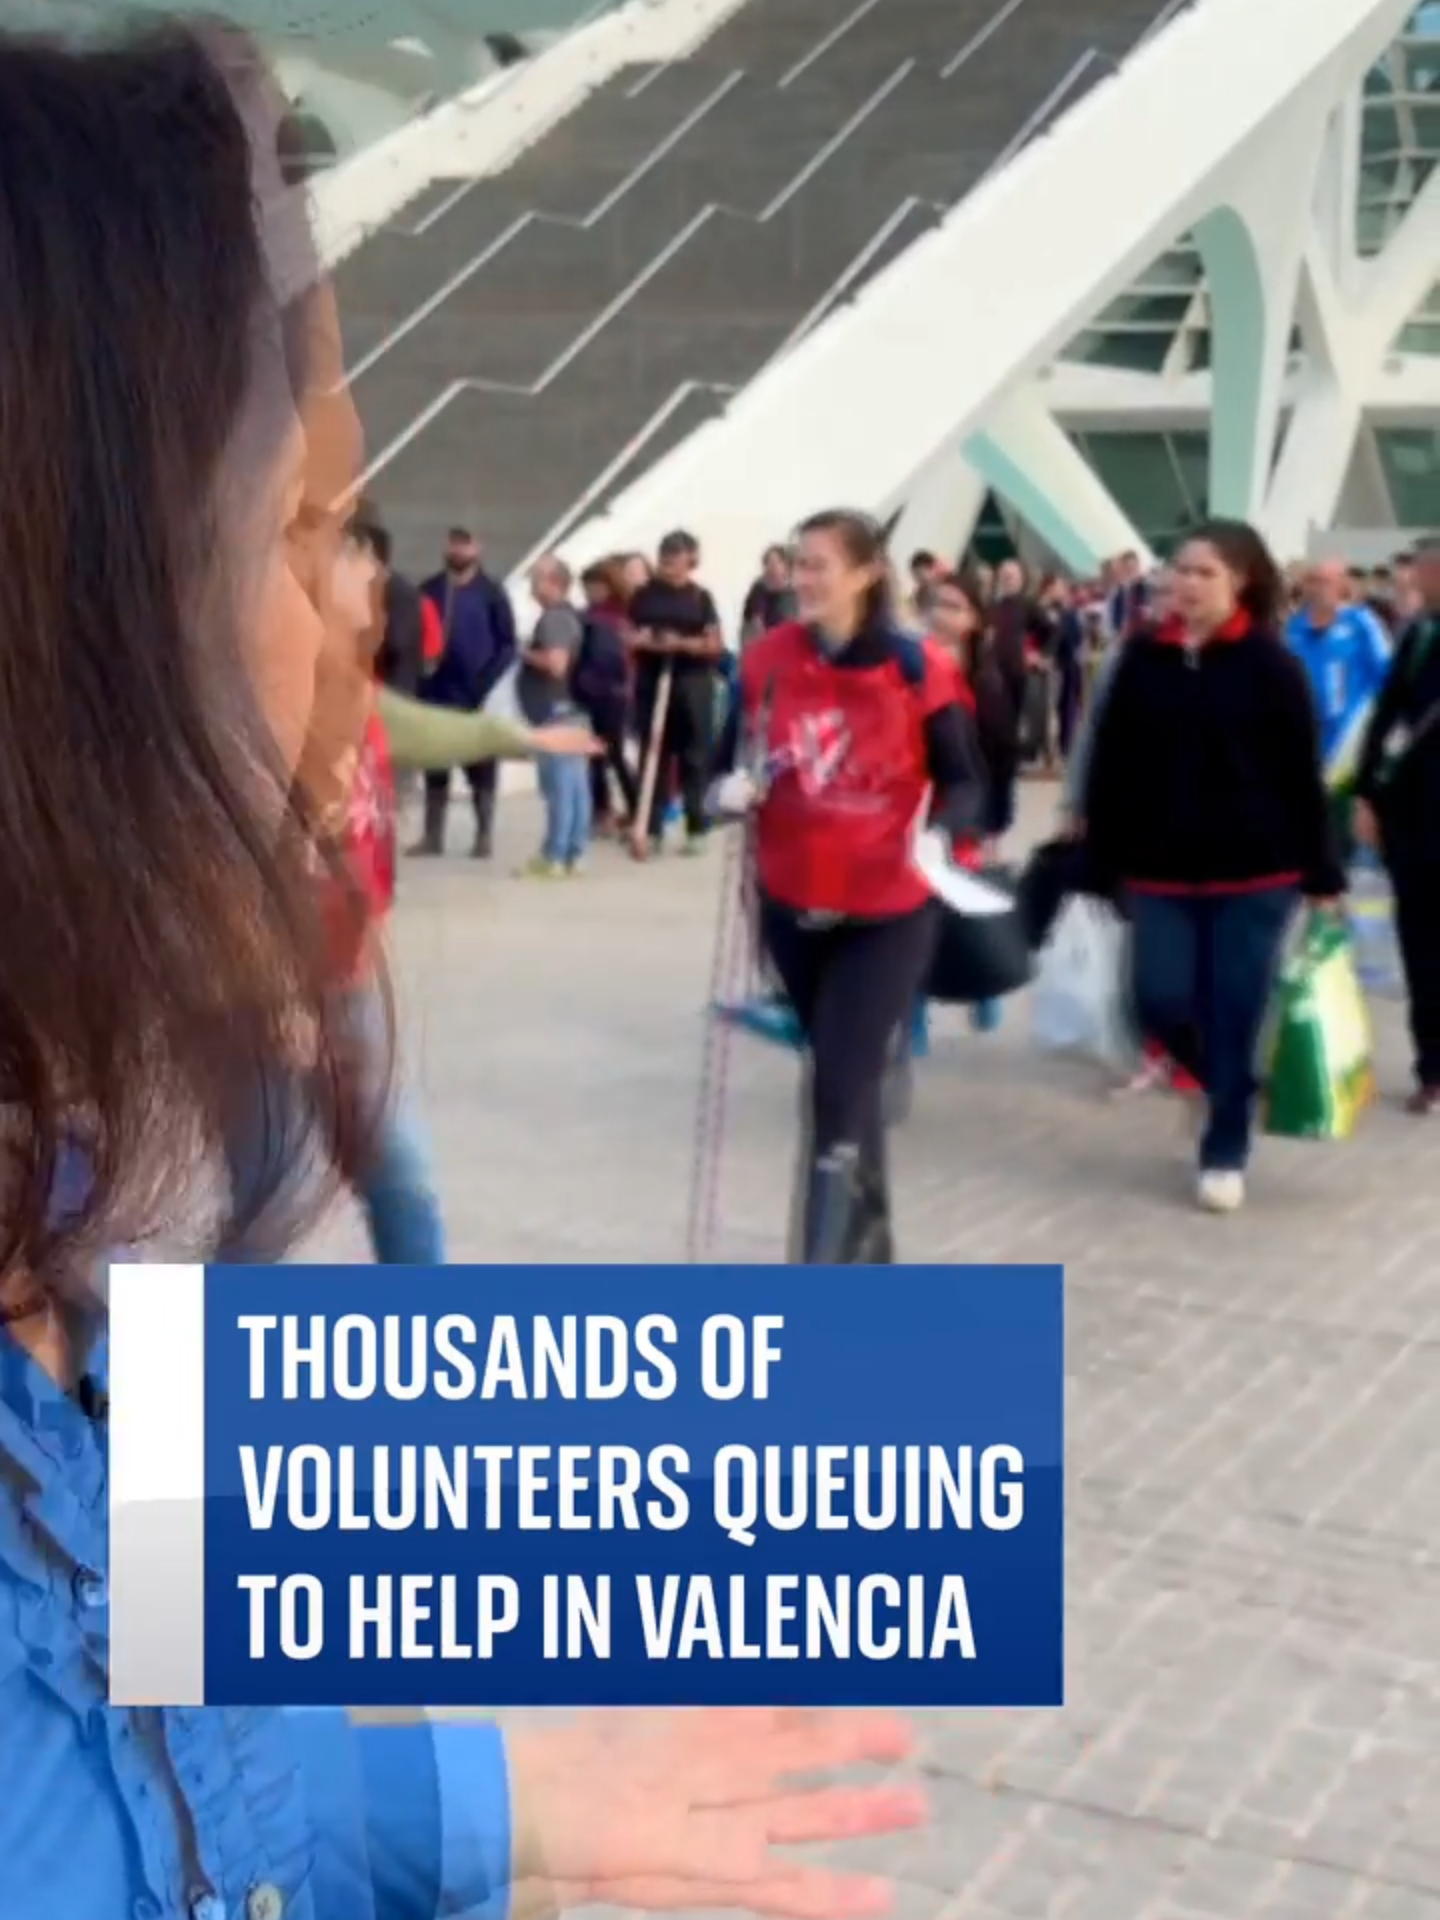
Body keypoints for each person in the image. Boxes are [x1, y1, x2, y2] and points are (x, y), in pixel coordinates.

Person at [0, 22, 928, 1920]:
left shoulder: (53, 1226)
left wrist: (487, 1798)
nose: (356, 601)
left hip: (820, 936)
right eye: (302, 524)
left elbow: (122, 1747)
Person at [712, 510, 985, 1263]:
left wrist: (939, 835)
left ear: (865, 574)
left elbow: (967, 783)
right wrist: (725, 792)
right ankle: (869, 1255)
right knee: (841, 1081)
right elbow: (716, 769)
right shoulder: (766, 659)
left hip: (888, 907)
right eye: (797, 563)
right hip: (791, 904)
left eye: (818, 565)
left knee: (836, 1084)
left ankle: (822, 1268)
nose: (802, 578)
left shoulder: (916, 665)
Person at [1083, 522, 1345, 1210]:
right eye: (1179, 570)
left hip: (1256, 873)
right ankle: (1226, 1083)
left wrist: (1323, 875)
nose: (1186, 584)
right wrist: (1098, 857)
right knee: (1159, 999)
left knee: (1235, 1006)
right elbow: (1110, 762)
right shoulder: (1143, 658)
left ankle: (1224, 1144)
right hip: (1160, 869)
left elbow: (1300, 776)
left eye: (1205, 573)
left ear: (1242, 583)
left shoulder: (1271, 665)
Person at [1354, 538, 1440, 1113]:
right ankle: (1431, 1066)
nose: (1415, 578)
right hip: (1413, 817)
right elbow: (1385, 715)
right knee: (1420, 943)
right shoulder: (1417, 634)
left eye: (1424, 568)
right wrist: (1365, 795)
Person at [412, 525, 517, 858]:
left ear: (478, 549)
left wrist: (487, 681)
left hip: (477, 693)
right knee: (435, 763)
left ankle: (483, 834)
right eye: (453, 544)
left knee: (481, 765)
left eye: (465, 544)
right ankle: (432, 836)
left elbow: (507, 644)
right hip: (436, 690)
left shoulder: (491, 592)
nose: (458, 551)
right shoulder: (429, 590)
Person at [1284, 557, 1391, 851]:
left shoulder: (1362, 623)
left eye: (1327, 581)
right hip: (1305, 732)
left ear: (1343, 585)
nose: (1320, 589)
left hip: (1350, 734)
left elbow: (1388, 675)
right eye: (1313, 581)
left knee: (1338, 812)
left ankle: (1339, 870)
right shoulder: (1293, 628)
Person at [629, 530, 723, 859]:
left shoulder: (700, 598)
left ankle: (695, 827)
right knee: (653, 754)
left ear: (691, 559)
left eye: (676, 553)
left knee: (695, 757)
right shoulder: (643, 596)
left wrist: (680, 644)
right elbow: (627, 634)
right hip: (652, 680)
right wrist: (646, 642)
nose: (669, 558)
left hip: (692, 682)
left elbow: (714, 644)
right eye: (665, 552)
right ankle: (650, 828)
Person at [515, 554, 593, 876]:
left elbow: (556, 664)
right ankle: (574, 852)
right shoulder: (568, 616)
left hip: (555, 711)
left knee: (560, 786)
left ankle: (554, 855)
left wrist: (522, 652)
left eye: (537, 577)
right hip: (569, 711)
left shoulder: (555, 620)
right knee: (574, 785)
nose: (532, 584)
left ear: (555, 582)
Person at [578, 556, 639, 833]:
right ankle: (605, 809)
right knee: (598, 756)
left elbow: (617, 658)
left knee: (611, 753)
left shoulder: (613, 618)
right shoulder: (593, 616)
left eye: (593, 587)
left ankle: (631, 807)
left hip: (611, 693)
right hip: (596, 692)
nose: (590, 593)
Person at [740, 543, 797, 646]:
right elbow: (757, 625)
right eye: (767, 563)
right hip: (764, 645)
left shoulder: (795, 591)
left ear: (786, 566)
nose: (771, 567)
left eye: (775, 563)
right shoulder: (759, 588)